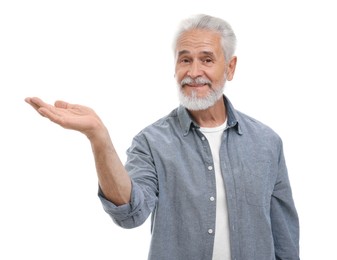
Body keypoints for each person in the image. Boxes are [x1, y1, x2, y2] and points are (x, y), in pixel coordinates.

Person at [25, 14, 300, 260]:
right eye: (185, 59)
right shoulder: (151, 142)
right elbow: (131, 213)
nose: (194, 73)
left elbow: (284, 237)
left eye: (206, 59)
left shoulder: (267, 143)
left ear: (230, 67)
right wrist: (99, 137)